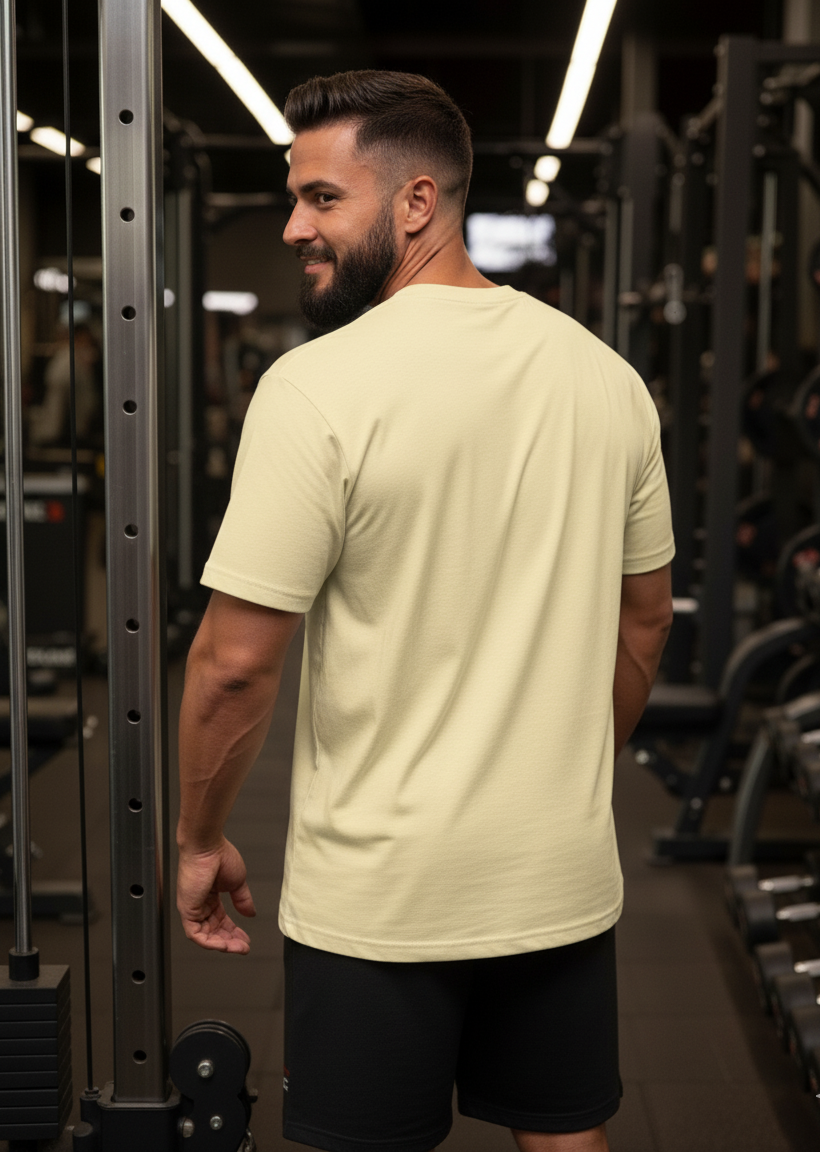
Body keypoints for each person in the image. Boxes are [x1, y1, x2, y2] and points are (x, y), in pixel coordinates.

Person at [176, 70, 674, 1152]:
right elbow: (645, 621)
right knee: (563, 1133)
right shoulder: (606, 380)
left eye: (321, 198)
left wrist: (198, 838)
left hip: (380, 891)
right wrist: (561, 773)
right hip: (555, 866)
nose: (295, 225)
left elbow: (231, 666)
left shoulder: (317, 388)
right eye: (296, 197)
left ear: (414, 204)